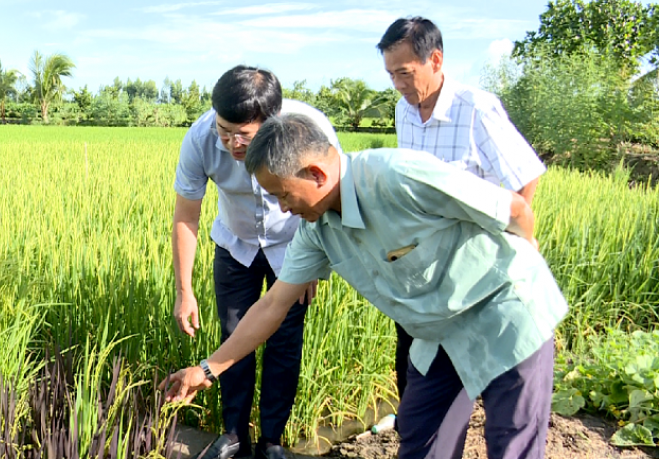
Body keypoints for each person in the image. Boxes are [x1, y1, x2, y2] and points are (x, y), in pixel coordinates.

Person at [163, 114, 568, 459]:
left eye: (284, 195)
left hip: (504, 313)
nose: (283, 208)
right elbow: (273, 305)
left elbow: (515, 209)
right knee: (421, 441)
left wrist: (524, 273)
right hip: (438, 334)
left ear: (317, 174)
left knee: (510, 443)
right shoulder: (316, 231)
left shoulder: (399, 176)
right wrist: (207, 370)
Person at [172, 66, 341, 459]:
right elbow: (186, 215)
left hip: (294, 244)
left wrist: (312, 261)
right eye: (223, 129)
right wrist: (185, 291)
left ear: (272, 122)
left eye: (242, 135)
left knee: (284, 343)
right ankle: (233, 435)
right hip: (236, 244)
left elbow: (330, 195)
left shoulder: (310, 130)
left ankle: (272, 441)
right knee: (234, 336)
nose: (231, 142)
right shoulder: (200, 139)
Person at [377, 16, 547, 404]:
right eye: (391, 75)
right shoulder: (404, 110)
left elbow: (525, 173)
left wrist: (513, 234)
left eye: (405, 73)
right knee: (412, 354)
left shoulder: (477, 109)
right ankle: (414, 429)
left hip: (469, 263)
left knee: (469, 361)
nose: (399, 85)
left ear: (435, 60)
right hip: (417, 262)